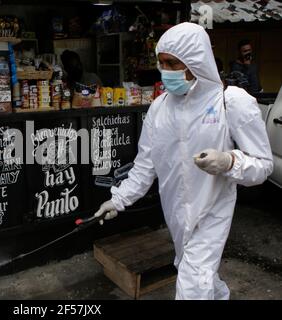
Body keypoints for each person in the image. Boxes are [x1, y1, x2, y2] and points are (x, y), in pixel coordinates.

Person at [93, 22, 273, 300]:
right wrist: (118, 200)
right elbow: (145, 167)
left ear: (195, 62)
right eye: (161, 63)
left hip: (212, 212)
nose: (165, 71)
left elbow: (263, 166)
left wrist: (229, 161)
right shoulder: (159, 108)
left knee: (192, 285)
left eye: (172, 63)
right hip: (175, 214)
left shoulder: (231, 102)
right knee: (198, 274)